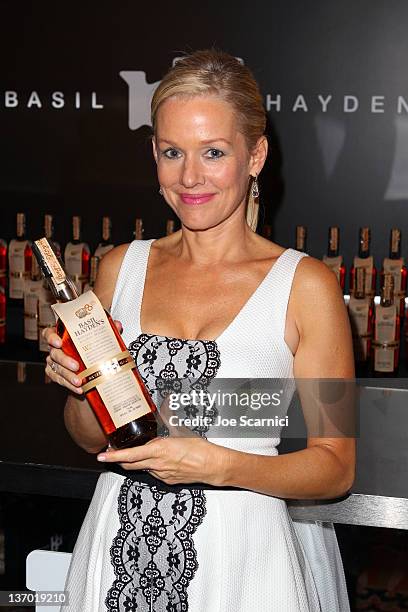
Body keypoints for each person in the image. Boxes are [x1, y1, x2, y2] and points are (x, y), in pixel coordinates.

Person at [45, 49, 355, 611]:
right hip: (115, 546)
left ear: (255, 155)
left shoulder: (304, 287)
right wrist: (79, 386)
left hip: (241, 560)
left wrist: (221, 465)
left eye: (214, 152)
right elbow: (92, 438)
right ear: (154, 156)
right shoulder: (119, 269)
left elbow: (334, 466)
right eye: (172, 153)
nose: (190, 177)